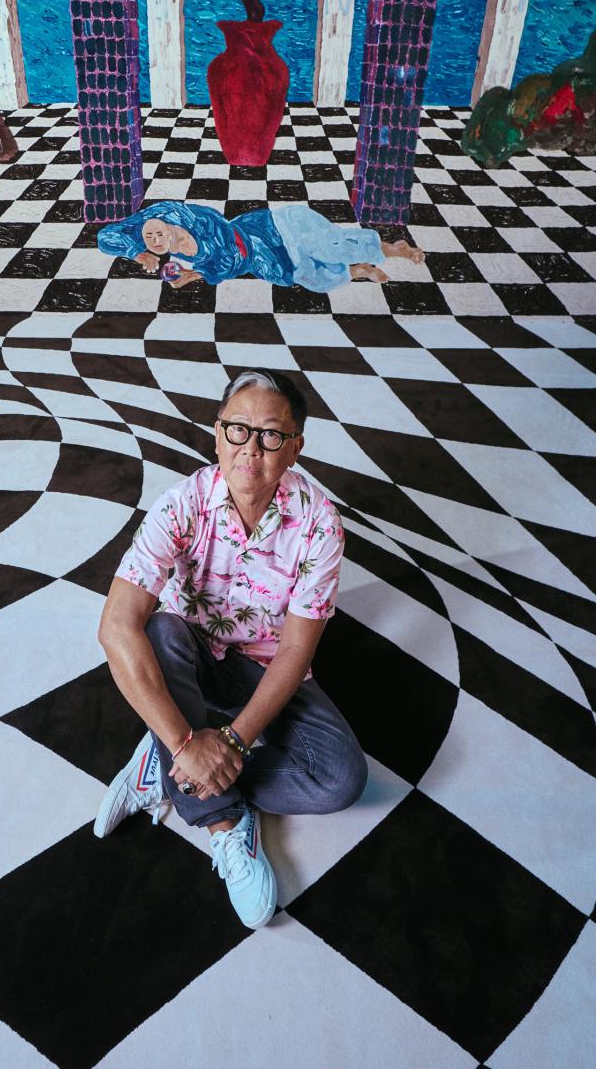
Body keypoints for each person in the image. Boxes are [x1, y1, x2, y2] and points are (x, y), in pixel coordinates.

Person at [95, 369, 368, 929]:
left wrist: (232, 741)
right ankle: (223, 820)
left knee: (342, 780)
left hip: (266, 665)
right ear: (217, 434)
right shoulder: (180, 505)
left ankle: (164, 770)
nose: (251, 448)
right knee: (158, 631)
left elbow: (295, 651)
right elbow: (116, 626)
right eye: (238, 429)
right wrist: (185, 741)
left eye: (271, 434)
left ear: (295, 448)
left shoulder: (320, 524)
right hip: (191, 653)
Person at [97, 199, 424, 291]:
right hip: (263, 259)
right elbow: (104, 238)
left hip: (276, 227)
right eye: (150, 240)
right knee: (313, 279)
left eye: (156, 234)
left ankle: (396, 248)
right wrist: (136, 252)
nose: (155, 240)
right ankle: (360, 271)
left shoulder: (185, 216)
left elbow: (228, 259)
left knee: (330, 246)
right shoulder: (147, 235)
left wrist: (196, 274)